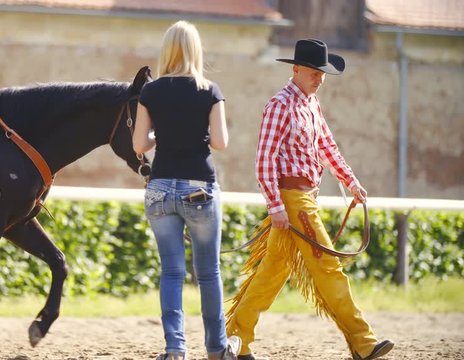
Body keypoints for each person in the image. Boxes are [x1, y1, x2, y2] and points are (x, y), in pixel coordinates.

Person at [225, 39, 394, 360]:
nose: (320, 78)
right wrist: (276, 206)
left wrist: (352, 182)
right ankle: (363, 341)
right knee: (329, 268)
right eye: (315, 72)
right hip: (294, 201)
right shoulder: (280, 105)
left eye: (324, 73)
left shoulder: (311, 105)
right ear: (296, 69)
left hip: (304, 199)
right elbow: (264, 160)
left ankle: (236, 340)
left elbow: (328, 147)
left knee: (271, 273)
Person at [133, 20, 240, 360]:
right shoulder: (210, 90)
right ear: (196, 51)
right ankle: (217, 348)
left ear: (167, 51)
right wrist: (198, 133)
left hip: (161, 187)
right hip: (199, 188)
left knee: (172, 272)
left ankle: (175, 348)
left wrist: (161, 134)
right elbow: (221, 142)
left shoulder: (150, 92)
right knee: (208, 273)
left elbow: (139, 144)